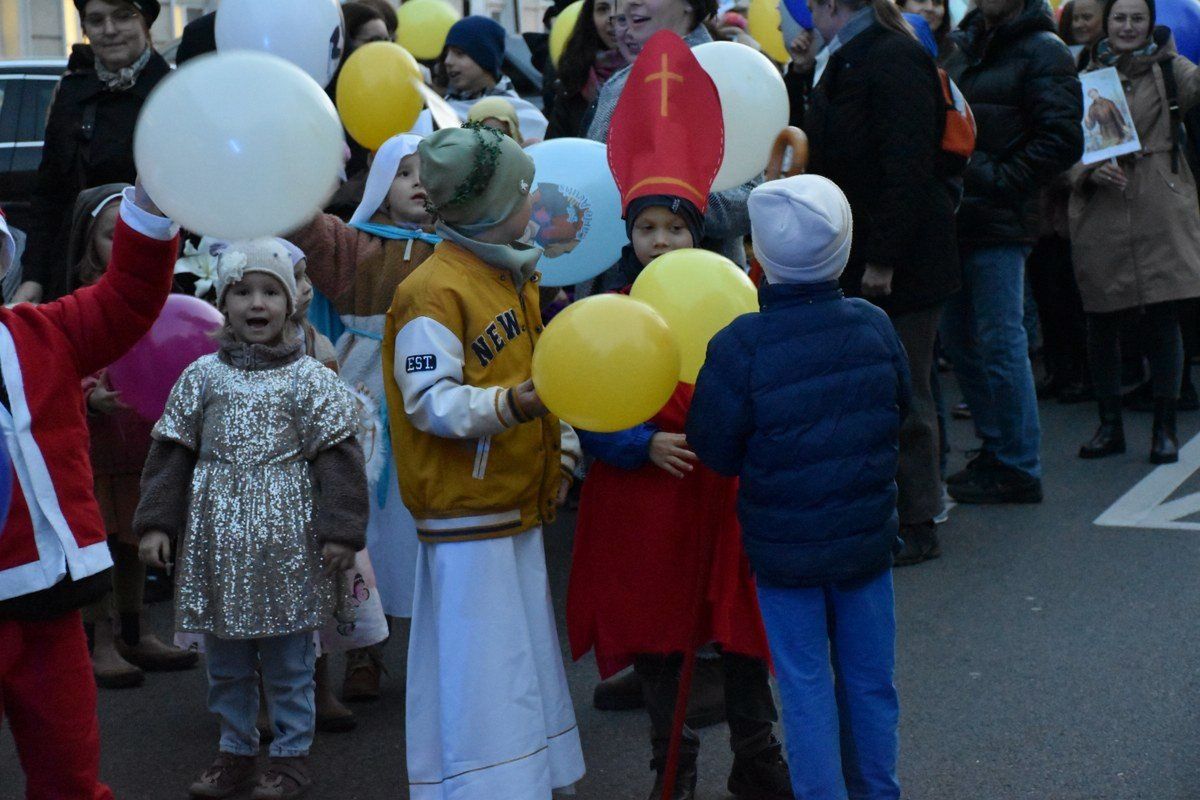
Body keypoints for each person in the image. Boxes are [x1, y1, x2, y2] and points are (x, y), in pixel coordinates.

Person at [568, 33, 791, 800]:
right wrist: (637, 442)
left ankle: (759, 759)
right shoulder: (611, 307)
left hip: (721, 493)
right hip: (644, 503)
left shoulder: (733, 298)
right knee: (660, 639)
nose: (661, 241)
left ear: (698, 231)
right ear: (628, 236)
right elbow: (585, 400)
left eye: (675, 228)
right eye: (647, 229)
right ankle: (673, 769)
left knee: (740, 631)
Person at [687, 174, 910, 800]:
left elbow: (715, 449)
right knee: (870, 681)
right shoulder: (873, 325)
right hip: (865, 541)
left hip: (783, 551)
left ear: (757, 255)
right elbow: (902, 408)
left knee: (804, 686)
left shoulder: (740, 345)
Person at [382, 125, 584, 799]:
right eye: (523, 194)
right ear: (491, 208)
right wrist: (516, 404)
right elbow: (428, 400)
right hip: (465, 513)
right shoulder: (431, 291)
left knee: (519, 657)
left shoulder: (507, 271)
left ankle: (528, 778)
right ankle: (486, 786)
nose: (534, 204)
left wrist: (561, 447)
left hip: (510, 497)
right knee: (484, 667)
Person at [135, 239, 368, 800]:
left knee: (290, 661)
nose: (256, 303)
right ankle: (235, 750)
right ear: (223, 303)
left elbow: (339, 458)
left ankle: (290, 756)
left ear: (291, 303)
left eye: (270, 291)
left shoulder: (310, 379)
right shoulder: (201, 376)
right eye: (242, 292)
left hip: (289, 544)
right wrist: (157, 523)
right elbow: (171, 453)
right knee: (227, 660)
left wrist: (342, 530)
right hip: (218, 544)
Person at [0, 184, 178, 800]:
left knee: (69, 773)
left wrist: (151, 208)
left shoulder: (41, 331)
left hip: (50, 598)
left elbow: (128, 296)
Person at [797, 0, 958, 567]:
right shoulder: (846, 56)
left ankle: (919, 519)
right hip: (866, 252)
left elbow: (906, 165)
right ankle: (887, 512)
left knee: (904, 392)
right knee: (877, 390)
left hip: (901, 262)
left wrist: (884, 258)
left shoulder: (890, 55)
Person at [288, 134, 437, 702]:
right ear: (379, 186)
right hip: (366, 406)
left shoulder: (461, 249)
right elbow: (302, 224)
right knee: (361, 531)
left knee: (416, 534)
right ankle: (362, 653)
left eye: (429, 172)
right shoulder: (354, 247)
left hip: (429, 407)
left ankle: (430, 653)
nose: (418, 183)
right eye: (404, 173)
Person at [939, 0, 1083, 504]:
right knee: (959, 340)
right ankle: (997, 448)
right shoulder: (963, 45)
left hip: (1000, 218)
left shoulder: (1044, 49)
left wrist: (1000, 179)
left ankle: (1019, 465)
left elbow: (1062, 138)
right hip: (957, 217)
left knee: (1000, 341)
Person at [69, 184, 198, 689]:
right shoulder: (79, 305)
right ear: (88, 245)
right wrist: (89, 395)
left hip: (141, 450)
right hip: (96, 454)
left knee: (133, 542)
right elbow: (65, 363)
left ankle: (135, 630)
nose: (123, 244)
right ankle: (99, 638)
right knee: (98, 545)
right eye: (112, 235)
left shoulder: (157, 300)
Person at [1070, 0, 1200, 463]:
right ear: (1107, 22)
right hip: (1101, 208)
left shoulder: (1173, 69)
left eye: (1137, 18)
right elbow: (1061, 142)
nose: (1128, 27)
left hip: (1160, 205)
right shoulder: (1083, 72)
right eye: (1120, 18)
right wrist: (1086, 171)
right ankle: (1110, 426)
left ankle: (1165, 428)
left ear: (1151, 23)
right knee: (1101, 318)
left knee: (1164, 317)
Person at [14, 0, 170, 305]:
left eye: (123, 16)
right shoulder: (72, 92)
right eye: (96, 21)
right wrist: (34, 278)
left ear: (145, 23)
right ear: (84, 29)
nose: (109, 30)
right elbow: (49, 195)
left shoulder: (172, 93)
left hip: (154, 278)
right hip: (74, 279)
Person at [586, 0, 753, 266]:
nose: (631, 3)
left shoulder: (725, 76)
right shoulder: (619, 81)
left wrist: (672, 197)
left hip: (697, 281)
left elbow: (749, 202)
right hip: (614, 283)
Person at [420, 17, 551, 141]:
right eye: (446, 54)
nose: (448, 61)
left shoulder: (527, 116)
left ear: (485, 59)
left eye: (459, 53)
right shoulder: (432, 116)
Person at [545, 0, 628, 139]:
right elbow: (557, 146)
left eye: (622, 7)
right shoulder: (574, 77)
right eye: (603, 9)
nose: (611, 18)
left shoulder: (657, 74)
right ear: (590, 17)